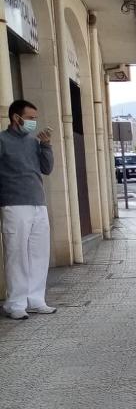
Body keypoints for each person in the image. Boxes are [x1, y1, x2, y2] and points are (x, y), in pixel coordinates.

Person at [0, 100, 55, 320]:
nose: (34, 122)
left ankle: (36, 300)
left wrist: (46, 145)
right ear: (16, 118)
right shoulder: (2, 141)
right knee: (16, 254)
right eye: (31, 118)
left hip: (38, 203)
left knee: (38, 254)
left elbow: (47, 168)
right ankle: (15, 304)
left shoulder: (34, 142)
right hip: (13, 204)